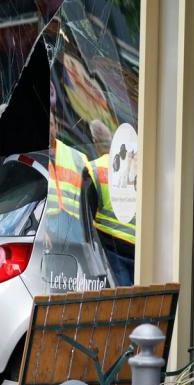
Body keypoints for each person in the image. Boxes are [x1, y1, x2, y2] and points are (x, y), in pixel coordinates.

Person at [84, 120, 135, 286]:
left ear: (94, 141)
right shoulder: (131, 168)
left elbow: (87, 216)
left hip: (111, 249)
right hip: (137, 248)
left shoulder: (94, 169)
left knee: (120, 304)